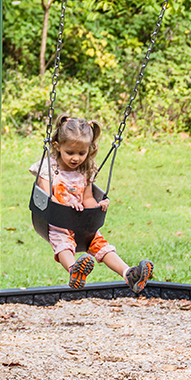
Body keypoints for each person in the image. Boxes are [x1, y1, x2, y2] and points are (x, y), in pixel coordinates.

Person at [31, 115, 152, 292]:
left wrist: (97, 206)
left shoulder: (84, 171)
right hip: (58, 222)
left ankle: (129, 274)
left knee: (101, 245)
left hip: (81, 223)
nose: (76, 158)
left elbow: (87, 198)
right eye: (70, 153)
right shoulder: (48, 167)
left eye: (82, 153)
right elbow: (48, 197)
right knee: (63, 243)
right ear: (57, 146)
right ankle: (74, 271)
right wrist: (66, 207)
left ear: (89, 149)